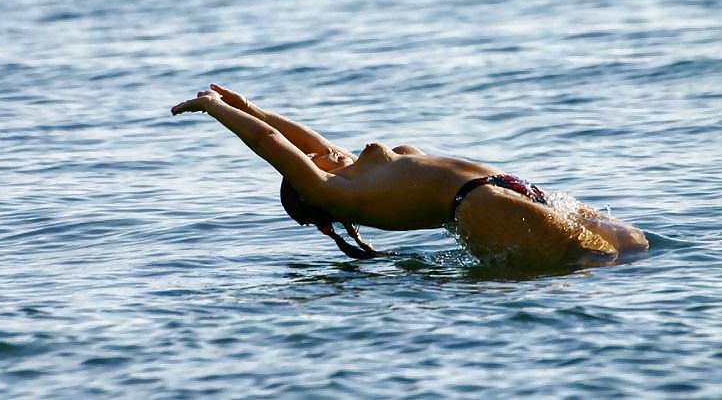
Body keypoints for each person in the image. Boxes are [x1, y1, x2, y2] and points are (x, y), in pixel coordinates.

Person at [171, 84, 648, 268]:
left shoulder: (347, 168)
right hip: (478, 204)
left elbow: (309, 141)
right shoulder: (338, 192)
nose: (317, 153)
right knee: (595, 262)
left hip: (508, 186)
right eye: (308, 161)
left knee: (633, 245)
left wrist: (250, 106)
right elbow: (273, 147)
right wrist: (216, 112)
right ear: (307, 182)